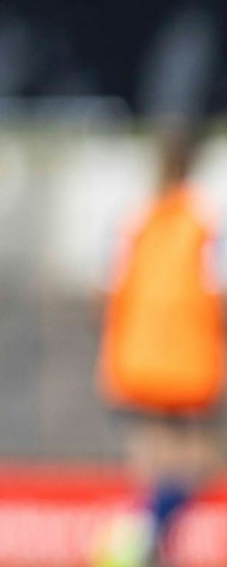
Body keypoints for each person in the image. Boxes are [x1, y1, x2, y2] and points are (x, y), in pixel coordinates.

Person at [96, 125, 222, 567]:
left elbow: (113, 289)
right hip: (190, 358)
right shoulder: (202, 223)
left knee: (152, 461)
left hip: (138, 357)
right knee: (200, 459)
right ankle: (141, 534)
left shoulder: (136, 220)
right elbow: (217, 290)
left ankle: (148, 543)